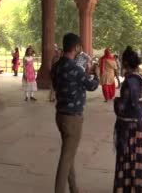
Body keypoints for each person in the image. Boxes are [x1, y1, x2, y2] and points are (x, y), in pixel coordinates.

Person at [52, 33, 99, 193]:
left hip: (60, 115)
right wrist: (95, 73)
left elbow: (56, 84)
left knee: (68, 153)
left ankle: (74, 188)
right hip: (73, 118)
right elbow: (91, 86)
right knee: (66, 159)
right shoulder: (75, 69)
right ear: (77, 47)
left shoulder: (57, 66)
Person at [113, 46, 142, 192]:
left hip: (127, 127)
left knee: (126, 156)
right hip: (138, 125)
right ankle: (138, 186)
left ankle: (125, 187)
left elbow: (123, 107)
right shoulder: (140, 79)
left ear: (126, 63)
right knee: (138, 156)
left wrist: (116, 102)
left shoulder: (129, 82)